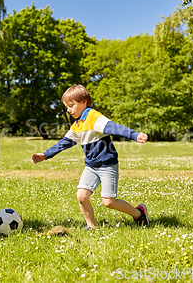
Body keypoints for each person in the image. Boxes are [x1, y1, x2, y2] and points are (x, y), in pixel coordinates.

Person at [32, 85, 149, 229]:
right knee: (82, 197)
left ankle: (139, 214)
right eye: (66, 107)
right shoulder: (77, 125)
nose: (68, 110)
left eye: (71, 105)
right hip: (91, 166)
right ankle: (92, 227)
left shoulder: (94, 117)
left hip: (107, 165)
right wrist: (46, 155)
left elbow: (113, 127)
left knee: (109, 202)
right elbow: (65, 142)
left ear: (84, 102)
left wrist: (134, 135)